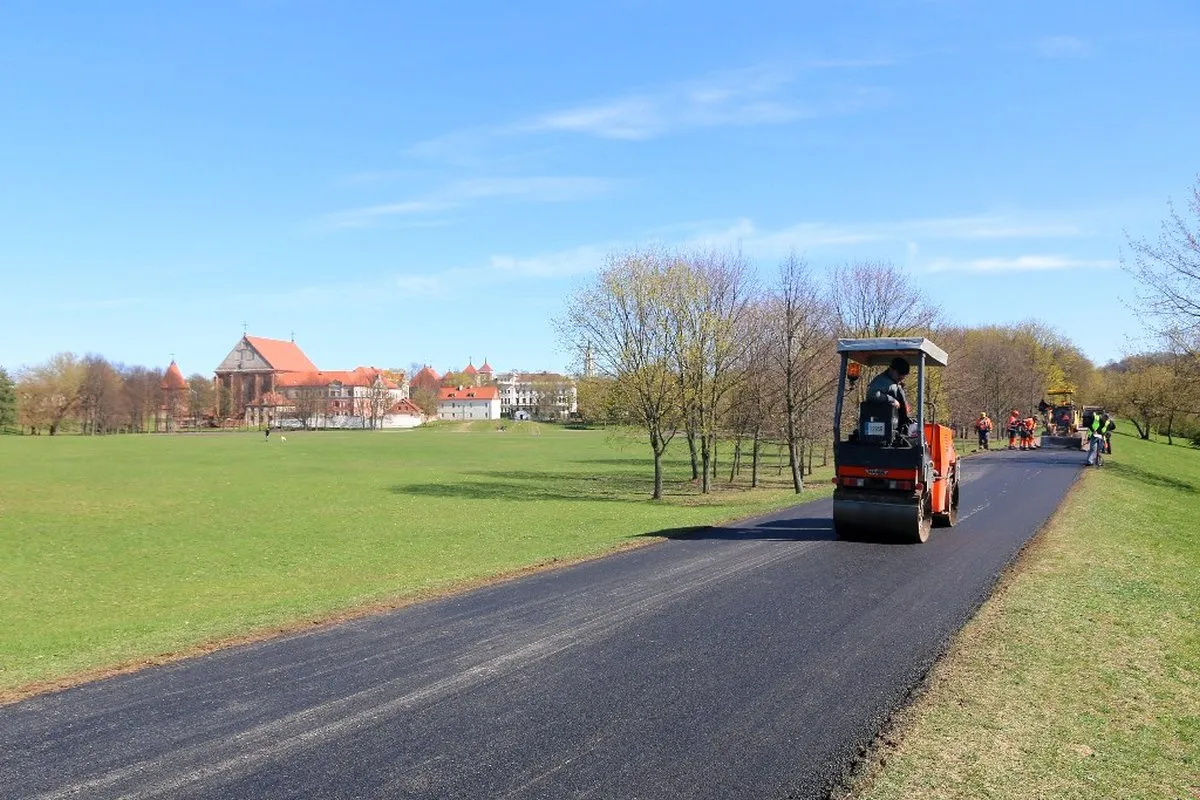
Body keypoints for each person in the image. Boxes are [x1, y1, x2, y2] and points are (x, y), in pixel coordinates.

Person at [866, 357, 913, 433]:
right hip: (882, 423)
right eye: (899, 374)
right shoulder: (882, 381)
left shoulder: (893, 381)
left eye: (903, 376)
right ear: (892, 370)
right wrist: (892, 400)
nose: (901, 377)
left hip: (895, 425)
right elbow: (872, 394)